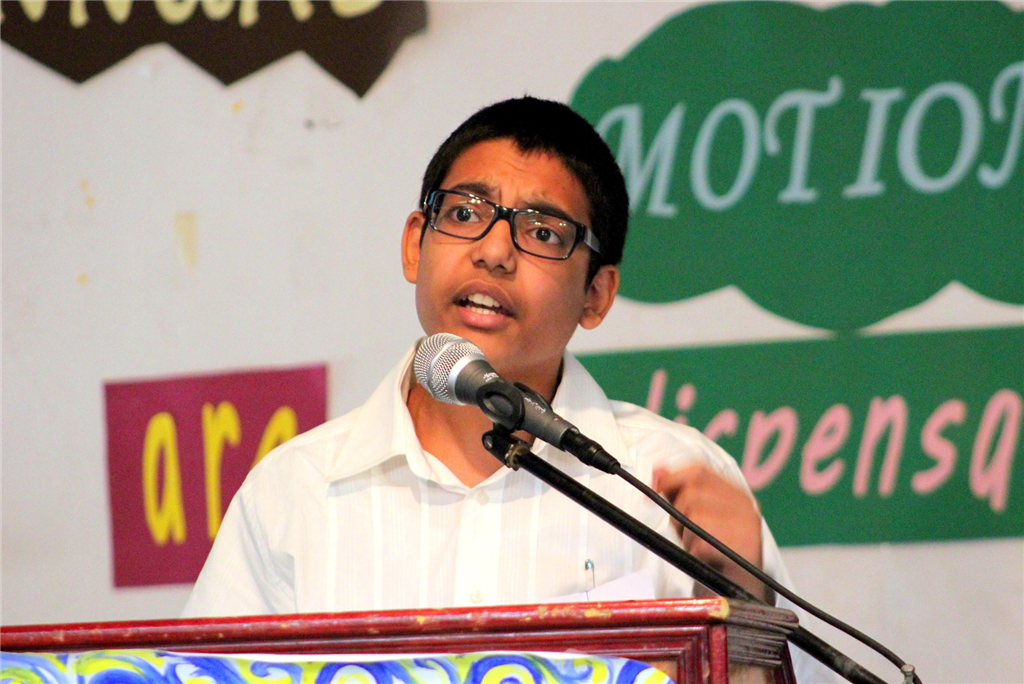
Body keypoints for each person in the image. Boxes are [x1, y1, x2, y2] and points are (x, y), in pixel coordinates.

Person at [184, 97, 831, 682]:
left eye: (542, 232)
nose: (494, 251)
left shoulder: (670, 486)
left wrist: (742, 602)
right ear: (415, 245)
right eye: (465, 213)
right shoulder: (295, 492)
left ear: (596, 294)